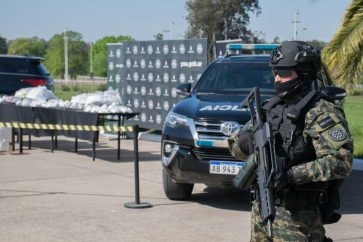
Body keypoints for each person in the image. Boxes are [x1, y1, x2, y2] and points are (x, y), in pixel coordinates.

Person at [229, 41, 353, 241]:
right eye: (275, 72)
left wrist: (291, 175)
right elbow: (235, 147)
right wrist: (242, 143)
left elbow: (341, 161)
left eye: (284, 73)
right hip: (261, 213)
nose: (277, 79)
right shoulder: (270, 108)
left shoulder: (320, 112)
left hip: (298, 220)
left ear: (304, 73)